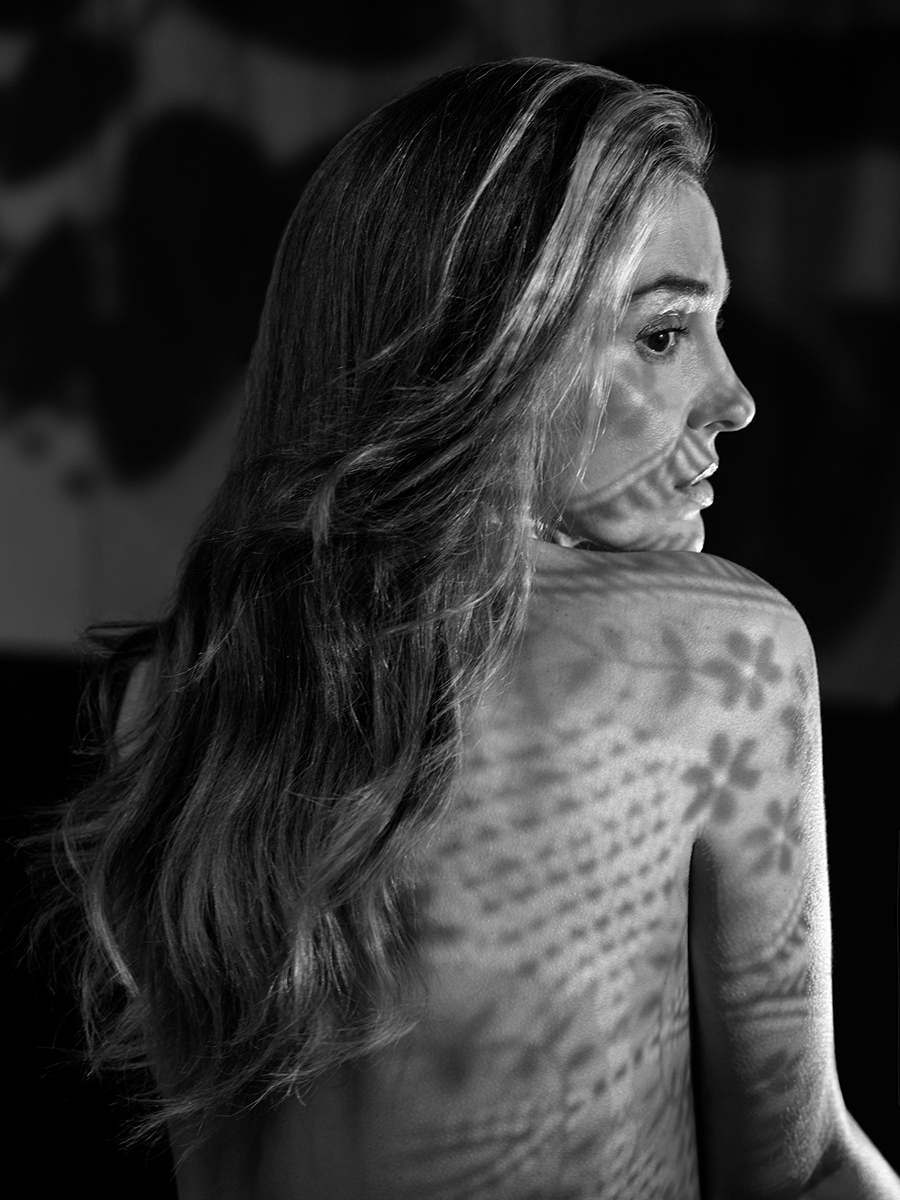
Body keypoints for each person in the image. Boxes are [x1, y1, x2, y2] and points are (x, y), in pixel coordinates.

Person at [28, 58, 900, 1199]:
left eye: (714, 328)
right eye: (662, 334)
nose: (733, 399)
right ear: (487, 346)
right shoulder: (714, 651)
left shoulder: (186, 683)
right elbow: (802, 1172)